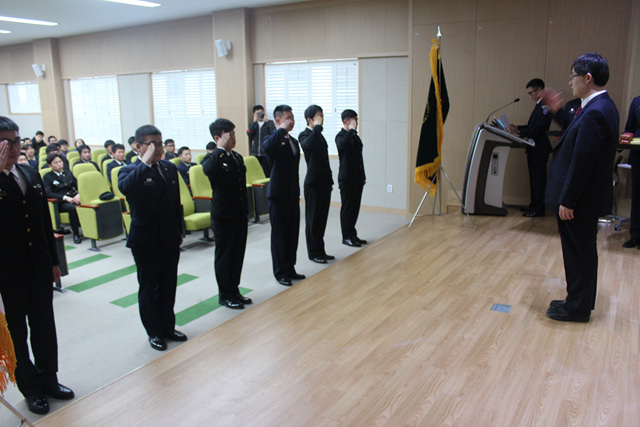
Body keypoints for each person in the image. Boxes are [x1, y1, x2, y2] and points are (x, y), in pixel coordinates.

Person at [0, 116, 74, 415]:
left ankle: (49, 379)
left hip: (39, 266)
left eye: (17, 141)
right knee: (17, 333)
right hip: (8, 273)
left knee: (44, 326)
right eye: (6, 142)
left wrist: (54, 262)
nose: (14, 147)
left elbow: (44, 222)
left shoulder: (30, 173)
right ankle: (29, 387)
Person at [543, 52, 619, 323]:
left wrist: (568, 200)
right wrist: (558, 111)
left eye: (573, 76)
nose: (570, 82)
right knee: (581, 251)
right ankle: (578, 301)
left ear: (588, 78)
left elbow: (583, 162)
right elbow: (577, 135)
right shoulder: (598, 106)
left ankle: (576, 308)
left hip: (580, 201)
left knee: (579, 252)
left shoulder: (596, 111)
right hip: (585, 198)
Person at [118, 124, 187, 351]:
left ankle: (168, 327)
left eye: (160, 143)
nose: (158, 148)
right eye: (152, 144)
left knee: (168, 285)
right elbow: (127, 189)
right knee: (148, 287)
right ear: (138, 146)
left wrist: (179, 230)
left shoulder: (169, 167)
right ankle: (154, 332)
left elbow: (175, 203)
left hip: (169, 237)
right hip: (145, 240)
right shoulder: (129, 171)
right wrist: (145, 162)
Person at [202, 118, 252, 309]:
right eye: (228, 135)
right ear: (217, 138)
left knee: (237, 254)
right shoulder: (212, 158)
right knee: (225, 256)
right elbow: (208, 170)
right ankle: (225, 294)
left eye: (233, 133)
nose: (233, 138)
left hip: (239, 213)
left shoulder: (237, 157)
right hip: (223, 216)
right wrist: (220, 149)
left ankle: (234, 289)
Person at [263, 105, 305, 286]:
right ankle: (280, 272)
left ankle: (290, 268)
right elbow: (266, 147)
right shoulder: (272, 139)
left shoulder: (293, 141)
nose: (292, 121)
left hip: (292, 193)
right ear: (278, 120)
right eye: (288, 118)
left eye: (293, 118)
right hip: (278, 194)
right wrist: (280, 130)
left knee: (292, 232)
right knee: (279, 234)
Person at [507, 78, 553, 217]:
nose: (530, 96)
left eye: (531, 92)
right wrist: (517, 128)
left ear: (540, 90)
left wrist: (518, 131)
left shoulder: (545, 107)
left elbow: (538, 129)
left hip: (539, 148)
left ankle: (538, 209)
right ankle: (533, 205)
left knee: (538, 180)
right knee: (534, 180)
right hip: (534, 149)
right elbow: (531, 126)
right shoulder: (539, 105)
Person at [299, 105, 335, 264]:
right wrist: (317, 128)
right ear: (309, 119)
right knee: (313, 220)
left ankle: (321, 250)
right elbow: (308, 145)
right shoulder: (305, 135)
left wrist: (329, 180)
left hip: (324, 182)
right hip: (313, 183)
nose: (322, 118)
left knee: (322, 219)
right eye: (319, 116)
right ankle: (313, 253)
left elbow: (325, 161)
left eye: (322, 115)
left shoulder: (318, 135)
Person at [336, 109, 367, 247]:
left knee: (355, 207)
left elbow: (360, 158)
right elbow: (342, 145)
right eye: (354, 120)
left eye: (357, 120)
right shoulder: (341, 136)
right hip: (346, 178)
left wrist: (363, 176)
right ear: (346, 121)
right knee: (347, 208)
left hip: (357, 177)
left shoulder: (354, 136)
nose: (357, 123)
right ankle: (346, 236)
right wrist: (351, 130)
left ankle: (353, 234)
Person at [43, 153, 83, 244]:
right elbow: (48, 193)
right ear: (50, 165)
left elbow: (78, 185)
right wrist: (65, 198)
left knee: (86, 203)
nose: (59, 164)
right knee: (72, 208)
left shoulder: (68, 173)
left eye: (60, 161)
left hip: (73, 198)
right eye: (56, 163)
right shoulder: (48, 177)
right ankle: (76, 233)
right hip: (60, 203)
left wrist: (79, 195)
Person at [619, 95, 640, 249]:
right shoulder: (637, 101)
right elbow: (630, 128)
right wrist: (625, 138)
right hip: (638, 156)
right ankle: (635, 235)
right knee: (637, 197)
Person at [247, 104, 276, 177]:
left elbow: (274, 134)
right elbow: (249, 133)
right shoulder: (253, 124)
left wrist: (267, 121)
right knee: (256, 174)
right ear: (254, 114)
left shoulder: (269, 123)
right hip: (255, 153)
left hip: (266, 153)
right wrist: (254, 121)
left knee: (268, 173)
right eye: (257, 113)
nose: (260, 115)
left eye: (261, 113)